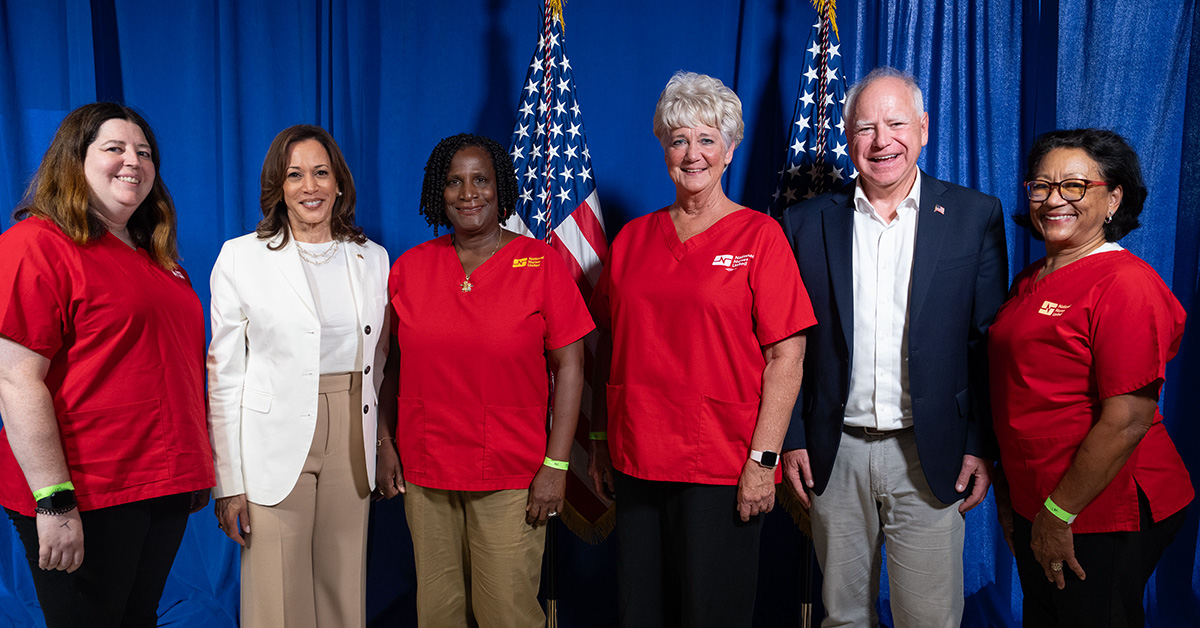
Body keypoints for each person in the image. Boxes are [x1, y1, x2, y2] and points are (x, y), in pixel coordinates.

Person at [780, 66, 1008, 627]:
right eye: (865, 128)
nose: (882, 142)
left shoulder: (974, 216)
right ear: (847, 136)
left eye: (896, 123)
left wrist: (981, 444)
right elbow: (788, 342)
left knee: (928, 619)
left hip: (932, 454)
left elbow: (987, 343)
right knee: (843, 617)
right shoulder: (804, 223)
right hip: (836, 454)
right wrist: (793, 438)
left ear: (924, 128)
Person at [587, 71, 814, 627]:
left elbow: (788, 356)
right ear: (663, 146)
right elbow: (607, 347)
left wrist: (764, 460)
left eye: (707, 139)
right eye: (679, 138)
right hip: (637, 457)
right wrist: (597, 440)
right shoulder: (631, 240)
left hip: (723, 463)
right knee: (640, 611)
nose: (693, 154)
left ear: (731, 149)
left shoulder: (760, 237)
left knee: (712, 613)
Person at [0, 102, 214, 627]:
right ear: (74, 160)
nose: (132, 162)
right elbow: (15, 379)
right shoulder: (35, 245)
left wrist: (190, 471)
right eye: (114, 148)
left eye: (143, 152)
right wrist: (53, 500)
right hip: (86, 490)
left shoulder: (159, 260)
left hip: (158, 484)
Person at [375, 133, 593, 628]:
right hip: (426, 470)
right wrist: (386, 443)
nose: (467, 192)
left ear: (501, 188)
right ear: (438, 191)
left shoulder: (541, 265)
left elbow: (571, 367)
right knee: (438, 613)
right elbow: (390, 368)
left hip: (511, 473)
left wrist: (557, 464)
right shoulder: (409, 269)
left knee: (506, 613)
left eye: (480, 180)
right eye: (454, 181)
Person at [989, 128, 1191, 626]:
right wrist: (1016, 500)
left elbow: (1127, 420)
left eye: (1074, 186)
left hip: (1103, 508)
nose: (1054, 199)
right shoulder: (1031, 277)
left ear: (1113, 197)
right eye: (1042, 185)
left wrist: (1058, 514)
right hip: (1041, 498)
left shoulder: (1125, 284)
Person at [206, 125, 389, 628]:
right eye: (295, 175)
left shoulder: (372, 258)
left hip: (351, 430)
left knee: (341, 586)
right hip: (272, 437)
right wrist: (228, 482)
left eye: (321, 173)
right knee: (276, 596)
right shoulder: (241, 257)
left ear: (339, 184)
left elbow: (381, 357)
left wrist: (383, 442)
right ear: (278, 188)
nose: (310, 186)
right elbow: (223, 377)